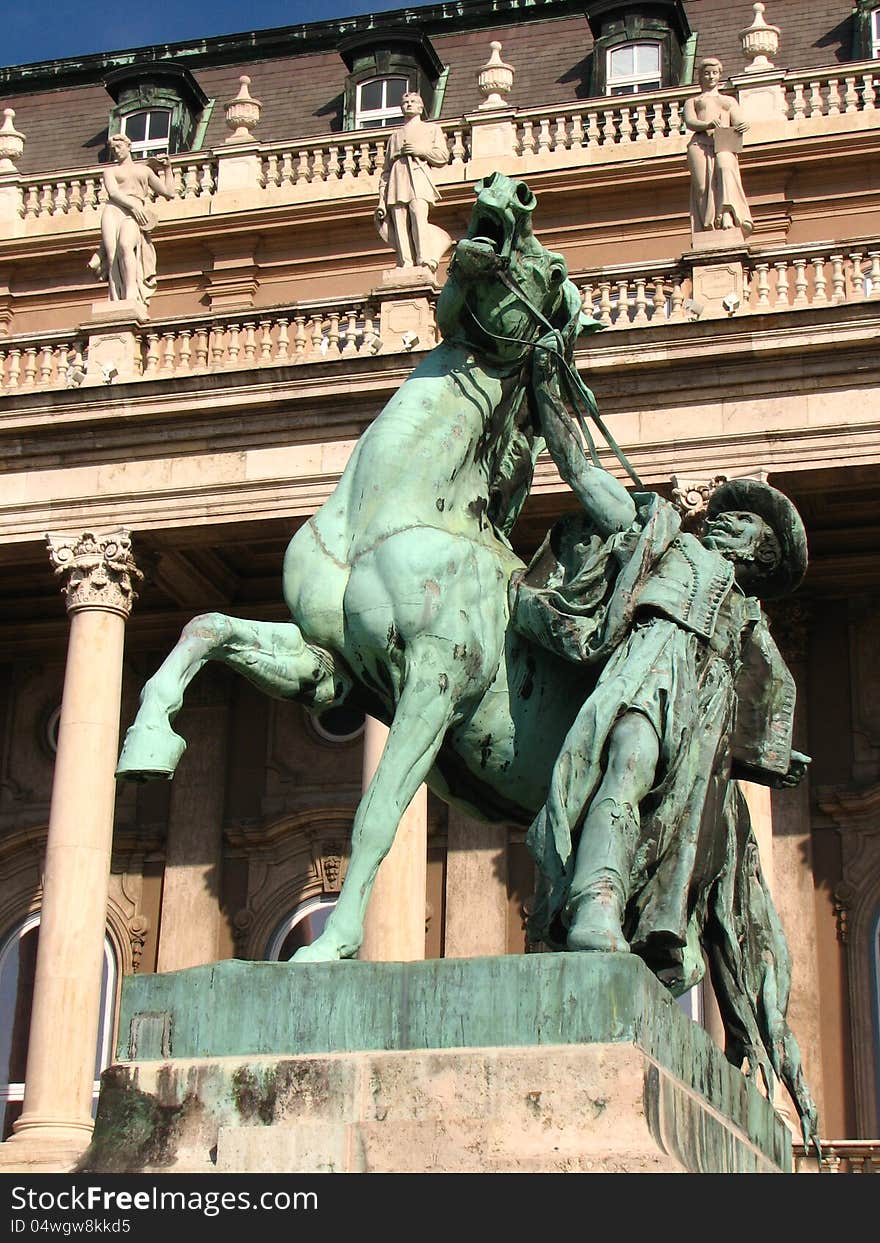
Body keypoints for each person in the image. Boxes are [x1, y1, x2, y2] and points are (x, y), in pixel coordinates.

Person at [511, 452, 819, 1143]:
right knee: (627, 761)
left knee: (674, 835)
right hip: (650, 664)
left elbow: (757, 705)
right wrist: (554, 418)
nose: (721, 524)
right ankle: (594, 904)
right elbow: (598, 489)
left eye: (738, 525)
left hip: (701, 716)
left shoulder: (746, 617)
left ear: (755, 554)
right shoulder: (669, 539)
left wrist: (770, 758)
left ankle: (629, 917)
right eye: (725, 516)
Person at [88, 132, 176, 305]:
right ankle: (116, 298)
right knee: (112, 255)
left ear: (129, 147)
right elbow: (113, 192)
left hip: (134, 214)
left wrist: (167, 168)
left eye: (119, 147)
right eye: (113, 150)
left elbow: (169, 192)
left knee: (126, 246)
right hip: (114, 211)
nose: (116, 151)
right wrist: (134, 206)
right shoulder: (110, 171)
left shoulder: (144, 170)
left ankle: (131, 293)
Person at [375, 92, 452, 272]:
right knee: (399, 220)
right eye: (405, 102)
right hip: (397, 179)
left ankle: (423, 259)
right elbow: (385, 171)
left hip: (418, 177)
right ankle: (405, 262)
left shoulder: (431, 129)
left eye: (413, 102)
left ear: (420, 107)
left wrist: (420, 151)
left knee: (418, 214)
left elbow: (442, 156)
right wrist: (381, 198)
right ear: (402, 108)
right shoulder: (395, 136)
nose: (409, 104)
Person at [684, 58, 753, 237]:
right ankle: (706, 226)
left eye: (714, 73)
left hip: (724, 141)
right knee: (701, 186)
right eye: (706, 73)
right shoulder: (694, 101)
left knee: (725, 170)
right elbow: (690, 122)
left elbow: (739, 121)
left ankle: (727, 215)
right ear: (700, 76)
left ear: (719, 75)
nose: (711, 76)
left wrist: (743, 125)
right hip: (700, 143)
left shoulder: (728, 100)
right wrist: (707, 124)